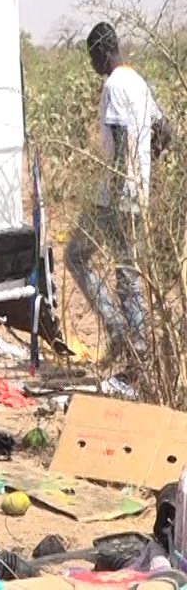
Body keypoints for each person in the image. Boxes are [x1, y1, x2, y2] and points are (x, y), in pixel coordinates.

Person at [65, 22, 172, 360]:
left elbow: (122, 136)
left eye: (92, 58)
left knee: (75, 256)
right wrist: (146, 168)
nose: (93, 67)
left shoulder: (113, 85)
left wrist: (115, 186)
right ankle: (137, 346)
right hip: (137, 195)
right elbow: (164, 131)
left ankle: (117, 330)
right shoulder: (140, 83)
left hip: (114, 197)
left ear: (99, 52)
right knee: (129, 272)